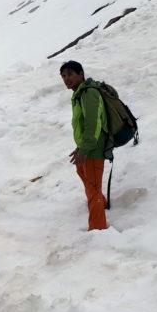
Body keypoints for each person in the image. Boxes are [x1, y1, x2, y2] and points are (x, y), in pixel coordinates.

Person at [60, 60, 109, 231]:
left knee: (94, 186)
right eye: (64, 76)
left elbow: (92, 123)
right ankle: (102, 203)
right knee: (83, 172)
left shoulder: (88, 94)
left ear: (81, 74)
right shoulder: (79, 94)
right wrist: (80, 147)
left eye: (71, 74)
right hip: (87, 146)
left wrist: (86, 148)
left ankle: (98, 228)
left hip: (94, 148)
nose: (67, 79)